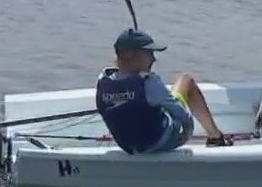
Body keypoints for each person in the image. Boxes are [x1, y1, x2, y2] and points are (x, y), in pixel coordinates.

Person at [95, 28, 230, 154]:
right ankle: (215, 137)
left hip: (128, 147)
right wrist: (187, 135)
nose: (154, 59)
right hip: (161, 142)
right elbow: (183, 116)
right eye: (149, 54)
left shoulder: (103, 82)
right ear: (131, 55)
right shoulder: (149, 82)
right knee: (186, 80)